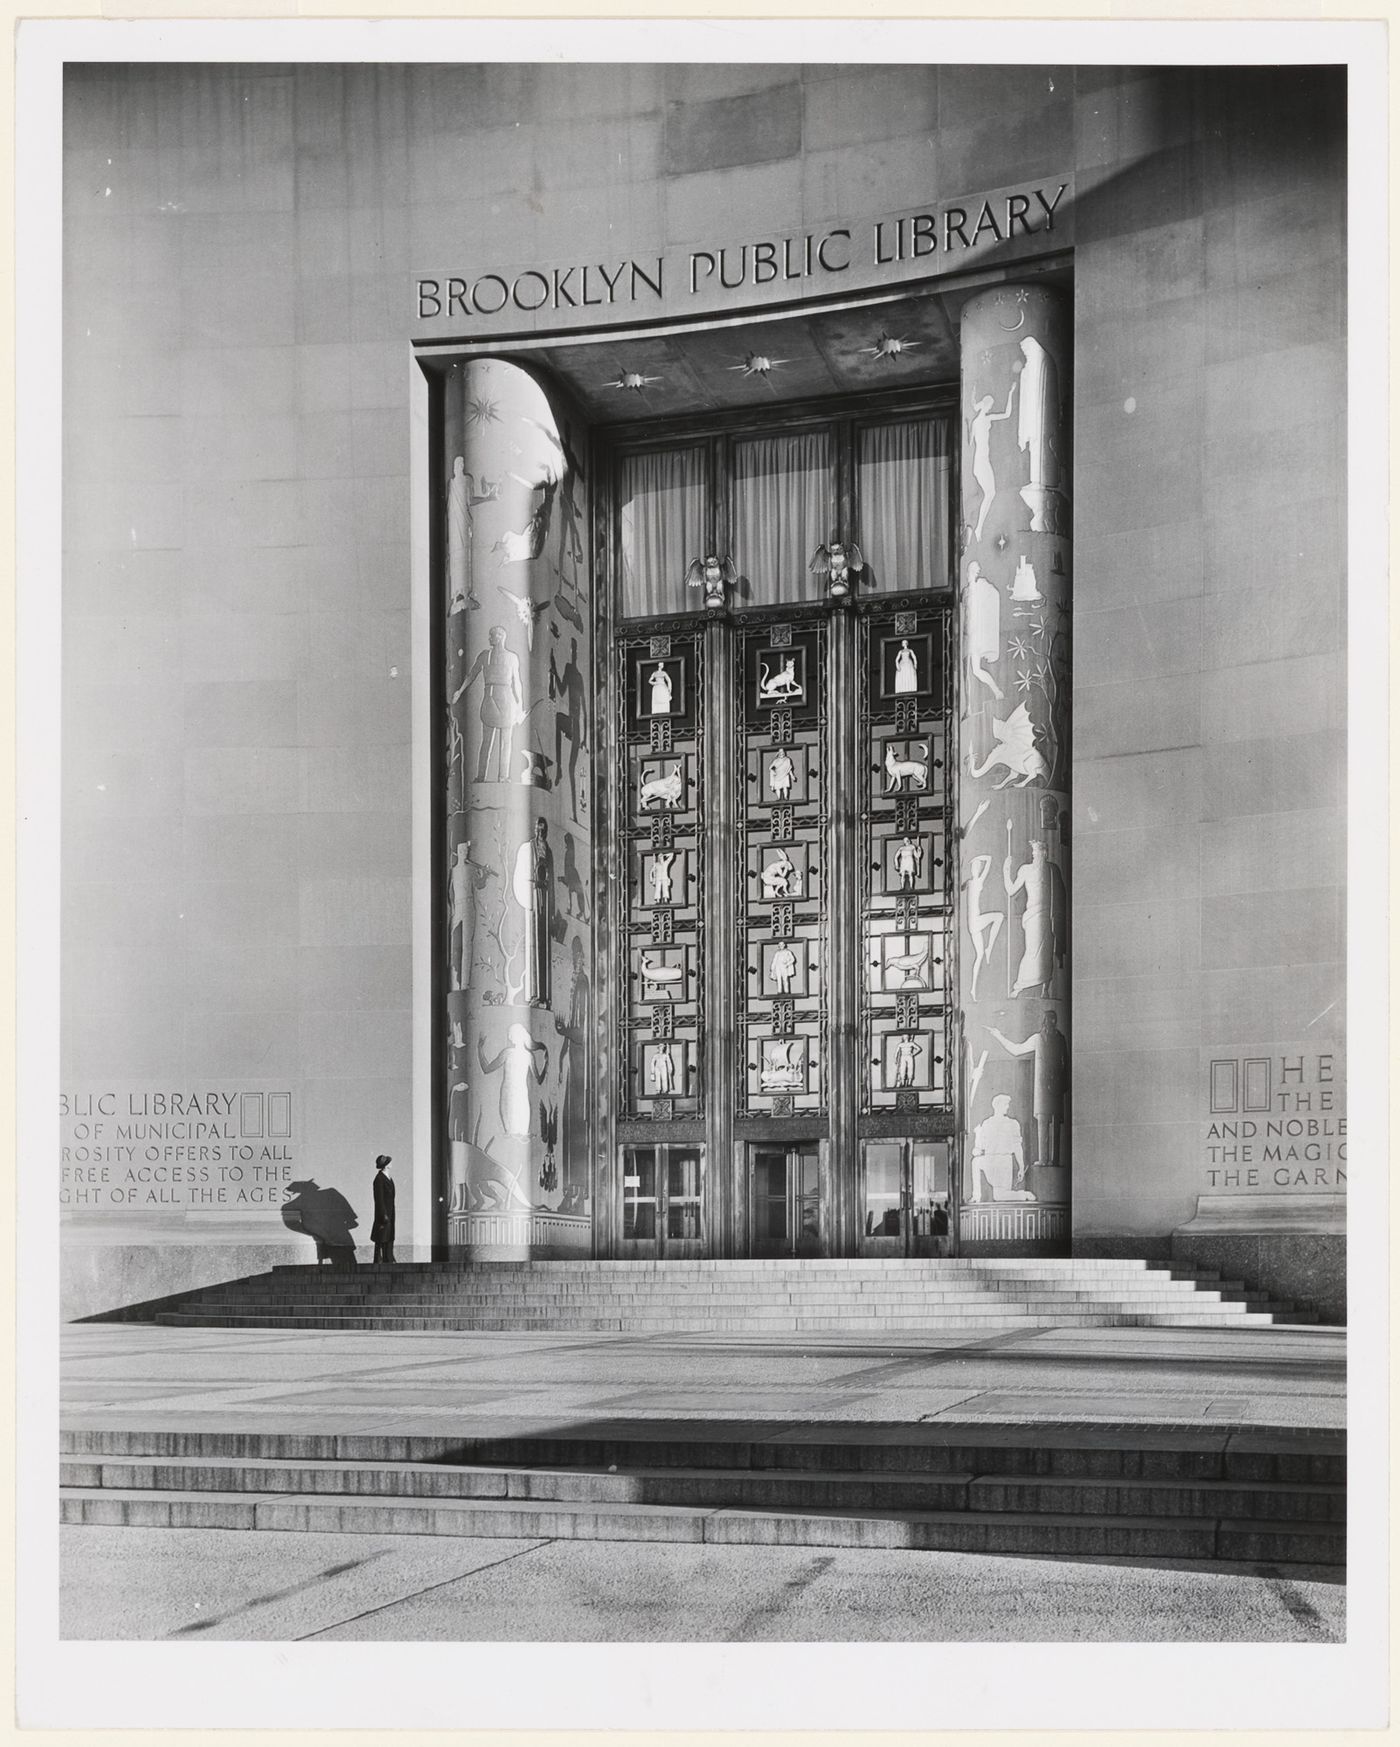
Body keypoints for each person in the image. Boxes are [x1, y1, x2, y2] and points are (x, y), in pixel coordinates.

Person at [370, 1154, 396, 1264]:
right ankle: (380, 1258)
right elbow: (379, 1198)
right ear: (386, 1165)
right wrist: (382, 1214)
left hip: (390, 1211)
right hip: (384, 1212)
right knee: (382, 1236)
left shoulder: (388, 1177)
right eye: (389, 1162)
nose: (391, 1163)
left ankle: (388, 1257)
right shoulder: (379, 1179)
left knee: (389, 1235)